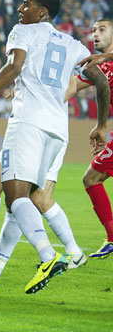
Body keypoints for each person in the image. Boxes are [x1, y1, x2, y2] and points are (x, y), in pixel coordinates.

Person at [0, 0, 109, 296]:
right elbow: (101, 80)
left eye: (26, 3)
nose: (20, 8)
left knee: (15, 196)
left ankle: (48, 255)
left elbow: (14, 67)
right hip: (58, 129)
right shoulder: (72, 43)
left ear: (41, 12)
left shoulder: (23, 31)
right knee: (21, 202)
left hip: (28, 121)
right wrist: (101, 123)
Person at [68, 17, 113, 259]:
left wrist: (105, 56)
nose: (95, 34)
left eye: (102, 29)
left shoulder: (106, 60)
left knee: (91, 178)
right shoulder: (99, 68)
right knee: (92, 178)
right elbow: (72, 86)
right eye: (93, 30)